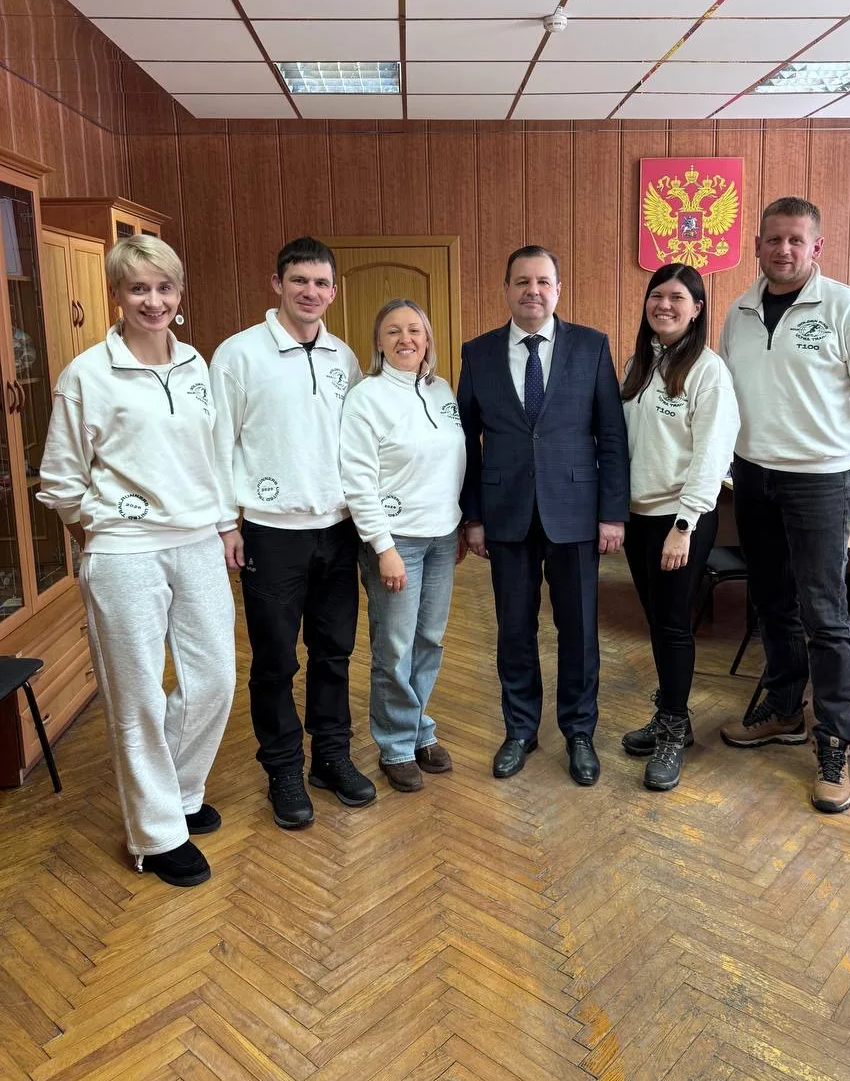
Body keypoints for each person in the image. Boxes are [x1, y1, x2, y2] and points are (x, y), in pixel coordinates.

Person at [38, 236, 235, 887]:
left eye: (164, 287)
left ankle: (179, 792)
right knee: (137, 697)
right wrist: (99, 534)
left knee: (214, 680)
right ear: (117, 295)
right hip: (125, 552)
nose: (153, 300)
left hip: (197, 541)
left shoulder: (196, 364)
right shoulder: (87, 374)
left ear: (179, 293)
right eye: (138, 288)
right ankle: (155, 833)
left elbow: (211, 458)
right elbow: (61, 480)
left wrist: (223, 524)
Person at [718, 197, 850, 814]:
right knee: (771, 602)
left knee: (825, 613)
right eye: (773, 239)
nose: (784, 250)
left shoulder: (847, 308)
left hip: (818, 481)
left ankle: (833, 743)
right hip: (753, 476)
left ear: (816, 247)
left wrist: (846, 453)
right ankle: (783, 708)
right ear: (757, 245)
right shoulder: (739, 313)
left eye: (796, 240)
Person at [210, 237, 376, 830]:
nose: (311, 292)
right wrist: (226, 523)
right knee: (276, 660)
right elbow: (217, 443)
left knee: (334, 652)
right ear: (277, 284)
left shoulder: (343, 357)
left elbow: (359, 442)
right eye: (299, 280)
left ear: (333, 292)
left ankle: (330, 756)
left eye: (321, 283)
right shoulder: (238, 355)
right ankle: (283, 768)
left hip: (337, 529)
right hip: (270, 532)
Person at [457, 245, 629, 786]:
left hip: (576, 513)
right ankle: (520, 729)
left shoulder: (591, 346)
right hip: (505, 513)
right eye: (522, 281)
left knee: (578, 629)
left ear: (558, 290)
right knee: (514, 628)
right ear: (506, 289)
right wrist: (473, 516)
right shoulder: (477, 353)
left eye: (543, 282)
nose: (533, 291)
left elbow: (611, 435)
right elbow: (465, 444)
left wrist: (612, 514)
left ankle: (579, 732)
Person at [620, 264, 740, 791]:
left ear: (696, 309)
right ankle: (673, 714)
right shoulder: (639, 364)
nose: (664, 305)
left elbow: (712, 454)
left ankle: (673, 729)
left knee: (672, 625)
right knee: (657, 620)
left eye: (677, 298)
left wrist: (685, 524)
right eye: (657, 295)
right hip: (638, 516)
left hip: (680, 519)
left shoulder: (708, 371)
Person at [340, 300, 466, 792]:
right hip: (396, 542)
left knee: (429, 639)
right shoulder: (366, 397)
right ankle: (394, 745)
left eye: (415, 329)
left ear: (427, 338)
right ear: (379, 341)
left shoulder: (442, 390)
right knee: (394, 647)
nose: (405, 339)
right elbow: (357, 479)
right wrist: (383, 546)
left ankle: (417, 730)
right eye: (393, 331)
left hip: (442, 536)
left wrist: (456, 524)